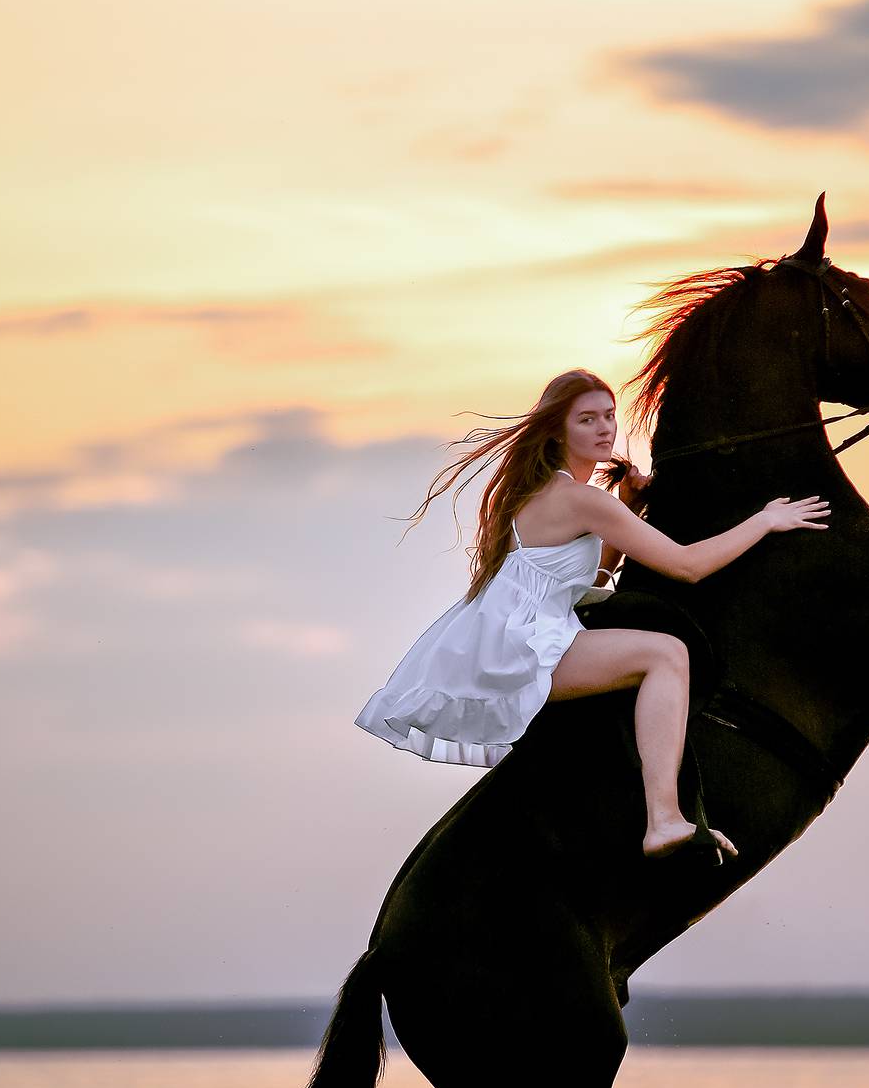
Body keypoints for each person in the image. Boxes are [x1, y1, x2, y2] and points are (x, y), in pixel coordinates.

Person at [355, 368, 830, 863]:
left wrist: (625, 505)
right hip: (525, 646)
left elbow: (582, 580)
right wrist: (766, 520)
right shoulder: (580, 499)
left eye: (608, 416)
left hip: (512, 638)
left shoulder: (549, 492)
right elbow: (687, 567)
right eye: (587, 419)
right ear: (558, 431)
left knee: (655, 652)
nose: (605, 429)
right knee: (666, 655)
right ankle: (664, 819)